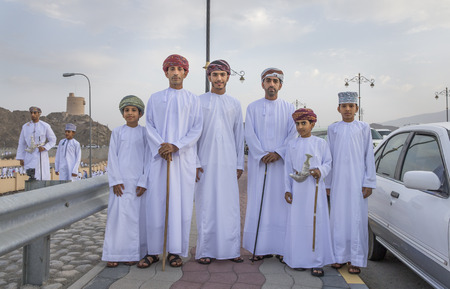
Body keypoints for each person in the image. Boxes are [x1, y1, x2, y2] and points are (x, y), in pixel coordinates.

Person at [140, 54, 202, 268]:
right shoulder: (155, 98)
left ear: (186, 73)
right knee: (156, 204)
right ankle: (154, 251)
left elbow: (196, 128)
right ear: (165, 72)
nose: (175, 73)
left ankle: (175, 251)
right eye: (171, 69)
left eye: (179, 69)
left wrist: (176, 146)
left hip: (182, 159)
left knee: (181, 206)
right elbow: (149, 126)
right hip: (159, 159)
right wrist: (162, 146)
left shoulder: (194, 99)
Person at [243, 68, 297, 262]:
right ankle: (259, 247)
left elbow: (293, 135)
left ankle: (282, 248)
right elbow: (249, 133)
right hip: (260, 166)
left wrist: (279, 153)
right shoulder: (253, 108)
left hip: (281, 165)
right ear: (262, 84)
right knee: (259, 203)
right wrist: (261, 154)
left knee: (281, 205)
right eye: (268, 81)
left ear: (280, 85)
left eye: (275, 81)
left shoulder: (290, 109)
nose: (272, 84)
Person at [194, 60, 245, 265]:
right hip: (205, 162)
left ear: (228, 77)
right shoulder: (198, 101)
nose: (219, 79)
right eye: (214, 75)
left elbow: (239, 135)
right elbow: (194, 135)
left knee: (229, 206)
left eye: (222, 75)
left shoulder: (234, 103)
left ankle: (231, 250)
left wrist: (239, 164)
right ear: (209, 78)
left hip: (228, 162)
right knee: (206, 205)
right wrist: (195, 161)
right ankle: (205, 250)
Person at [325, 91, 376, 274]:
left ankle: (355, 259)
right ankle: (338, 257)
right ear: (338, 108)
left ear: (356, 108)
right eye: (344, 106)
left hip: (357, 182)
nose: (347, 109)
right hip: (338, 182)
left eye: (351, 106)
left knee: (356, 220)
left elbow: (368, 156)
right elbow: (329, 157)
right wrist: (328, 184)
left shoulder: (363, 128)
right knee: (338, 219)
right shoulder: (333, 129)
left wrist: (369, 181)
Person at [284, 108, 335, 277]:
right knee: (298, 224)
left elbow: (328, 162)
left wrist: (320, 170)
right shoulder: (291, 144)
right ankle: (298, 260)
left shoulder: (321, 144)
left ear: (312, 124)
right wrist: (287, 189)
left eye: (304, 123)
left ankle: (316, 262)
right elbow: (287, 169)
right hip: (298, 190)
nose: (300, 127)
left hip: (315, 190)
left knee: (315, 224)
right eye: (298, 124)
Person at [102, 95, 151, 268]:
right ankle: (114, 253)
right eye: (126, 110)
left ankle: (133, 254)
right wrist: (115, 180)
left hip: (138, 184)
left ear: (140, 113)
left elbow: (148, 158)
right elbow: (112, 158)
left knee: (136, 219)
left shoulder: (145, 133)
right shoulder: (117, 132)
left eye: (133, 110)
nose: (130, 113)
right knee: (118, 218)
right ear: (122, 113)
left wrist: (144, 181)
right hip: (120, 184)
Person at [16, 106, 56, 180]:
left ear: (39, 114)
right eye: (31, 113)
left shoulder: (45, 126)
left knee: (42, 174)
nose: (33, 115)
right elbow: (22, 143)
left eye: (35, 113)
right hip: (30, 153)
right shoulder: (25, 127)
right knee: (31, 174)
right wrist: (21, 158)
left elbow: (53, 140)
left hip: (41, 154)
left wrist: (45, 147)